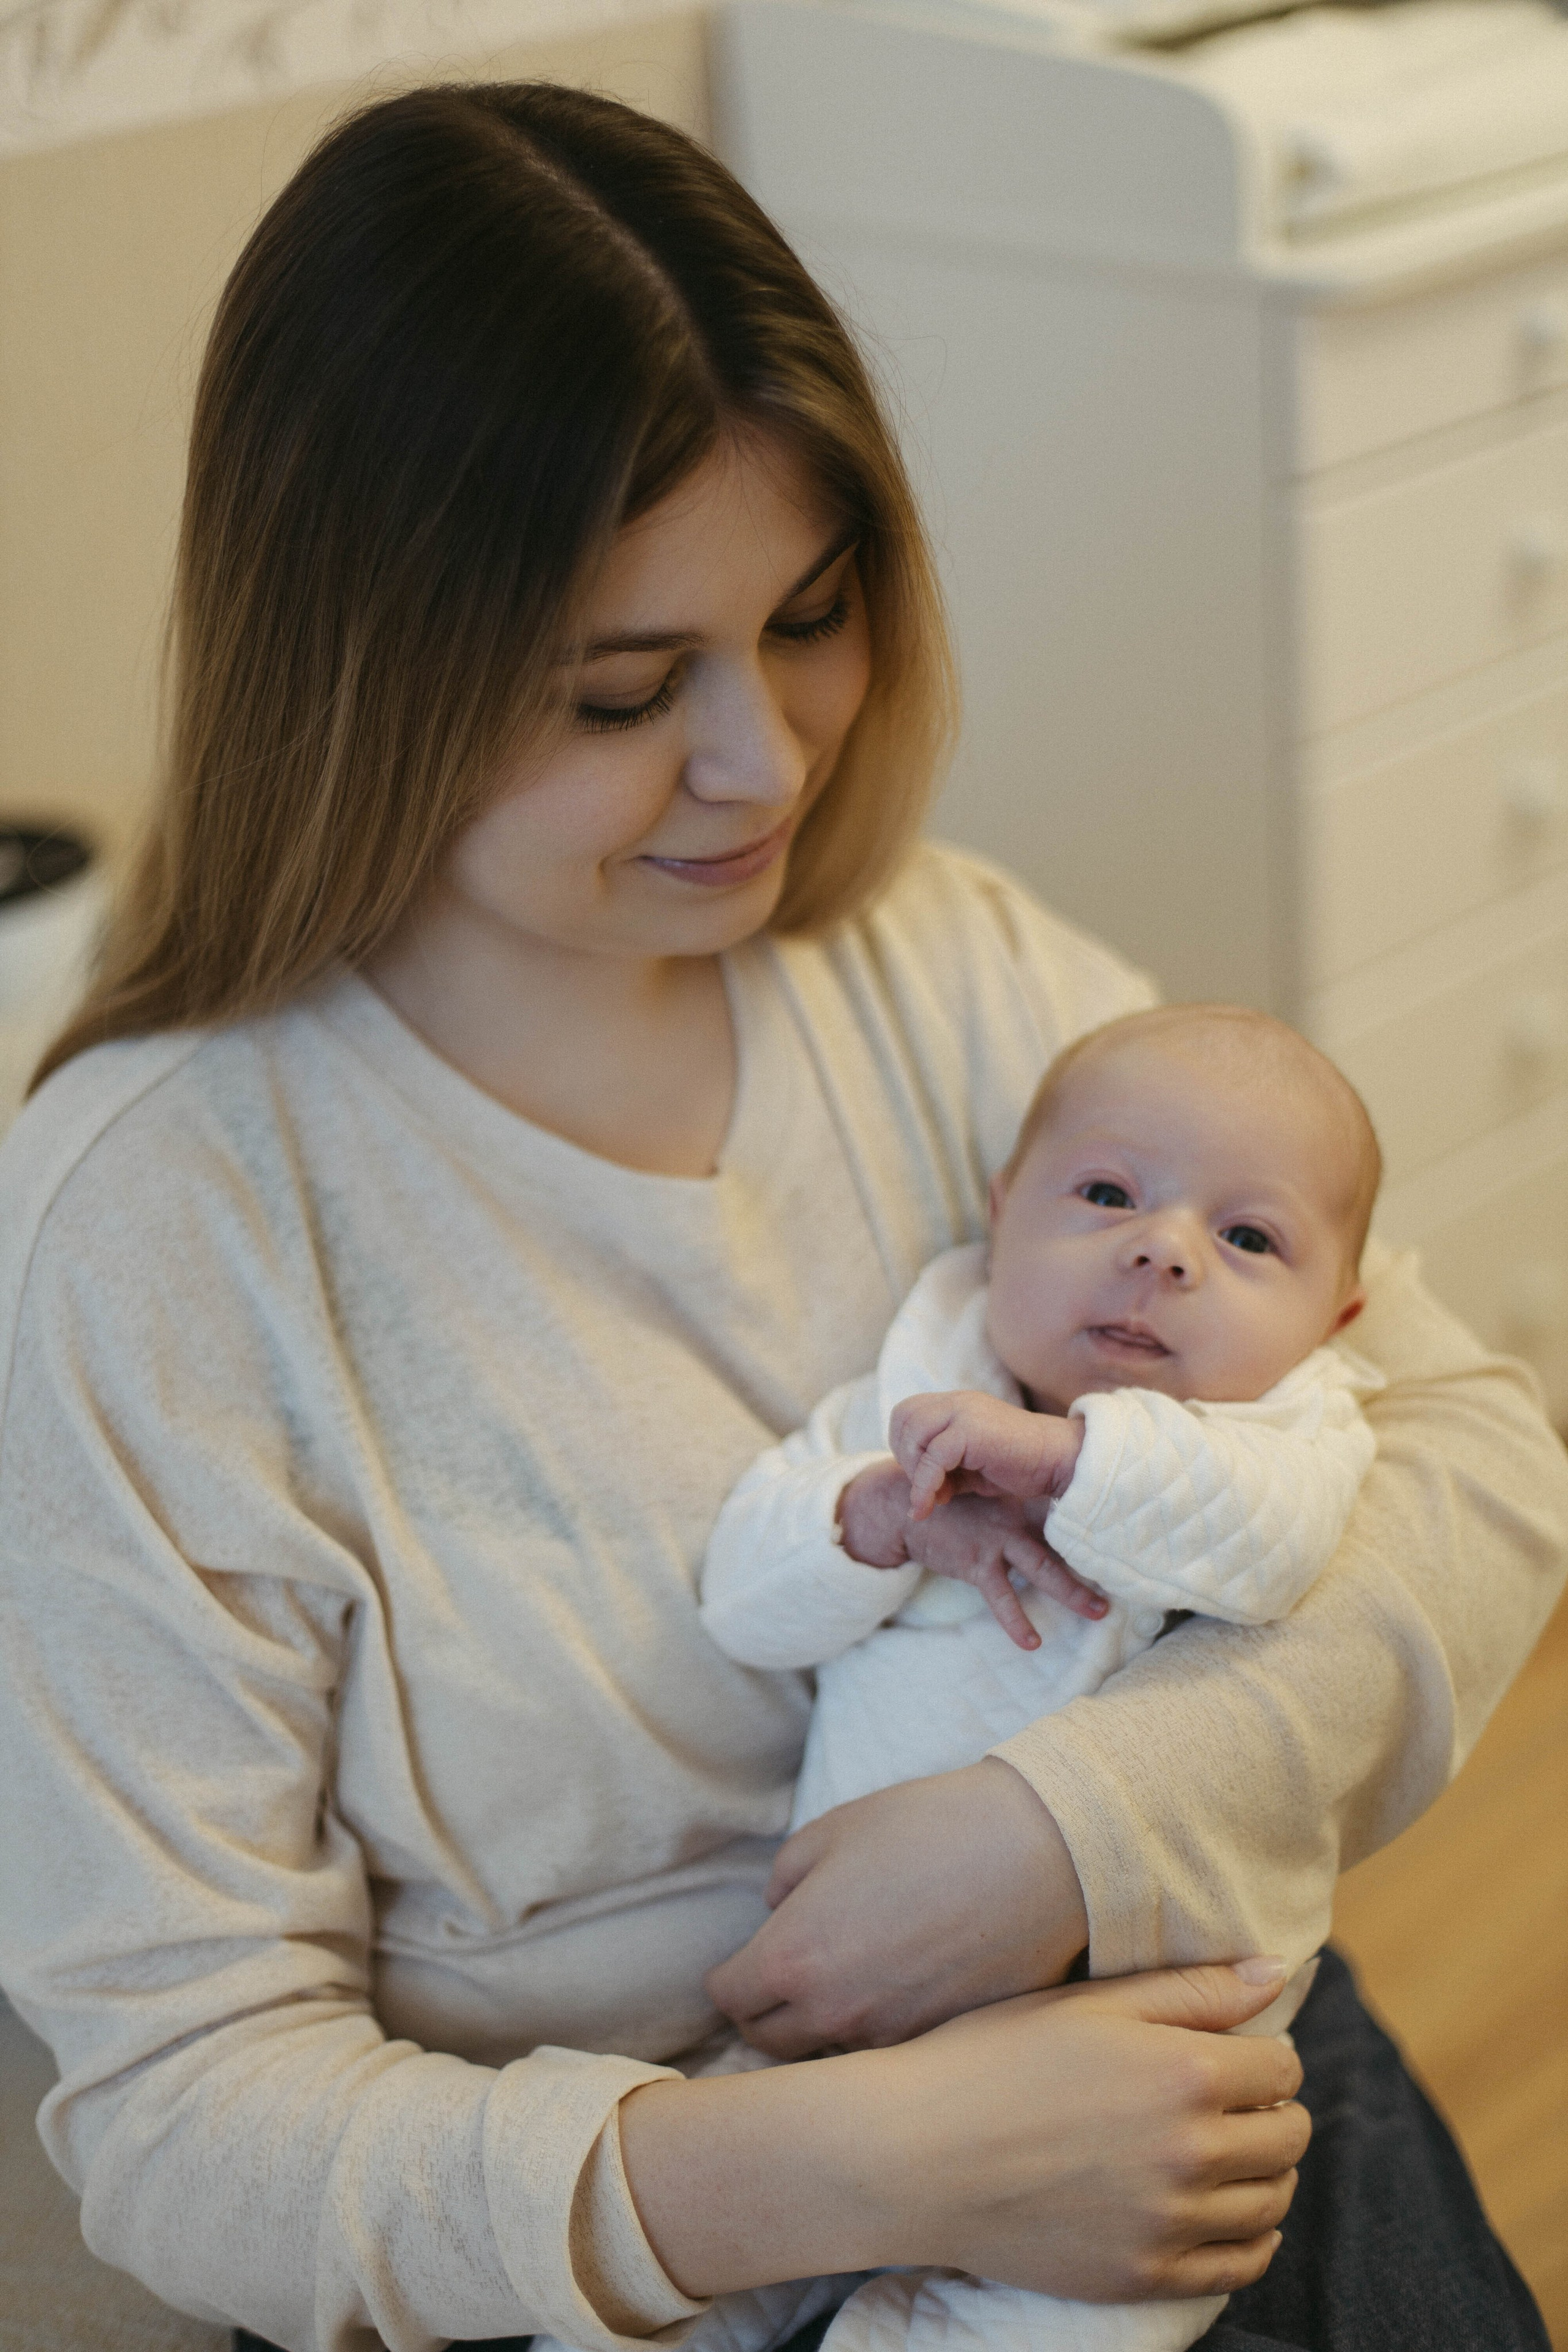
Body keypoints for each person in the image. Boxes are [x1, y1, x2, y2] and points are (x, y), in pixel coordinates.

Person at [0, 80, 1560, 2352]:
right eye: (629, 692)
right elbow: (182, 2113)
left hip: (1132, 2064)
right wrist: (862, 2163)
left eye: (813, 619)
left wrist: (1069, 1828)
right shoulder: (162, 1227)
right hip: (585, 2271)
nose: (770, 763)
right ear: (371, 671)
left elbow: (1472, 1446)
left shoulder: (939, 966)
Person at [696, 1003, 1385, 2352]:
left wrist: (1068, 1462)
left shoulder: (1286, 1433)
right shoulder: (912, 1393)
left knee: (1078, 2319)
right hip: (837, 2009)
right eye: (1107, 1193)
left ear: (1335, 1315)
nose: (1159, 1248)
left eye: (1246, 1238)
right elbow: (742, 1599)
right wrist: (873, 1517)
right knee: (687, 2283)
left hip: (1137, 2067)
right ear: (1005, 1212)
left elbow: (1263, 1544)